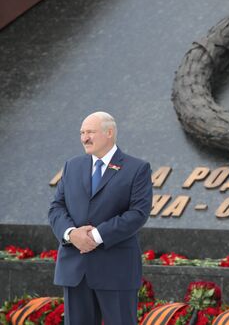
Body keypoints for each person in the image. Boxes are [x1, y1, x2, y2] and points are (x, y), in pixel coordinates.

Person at [48, 112, 152, 324]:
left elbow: (137, 214)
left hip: (115, 270)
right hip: (75, 269)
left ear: (109, 132)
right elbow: (56, 207)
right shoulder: (72, 166)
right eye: (82, 133)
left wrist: (95, 236)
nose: (84, 138)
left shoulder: (137, 169)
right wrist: (71, 234)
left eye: (90, 132)